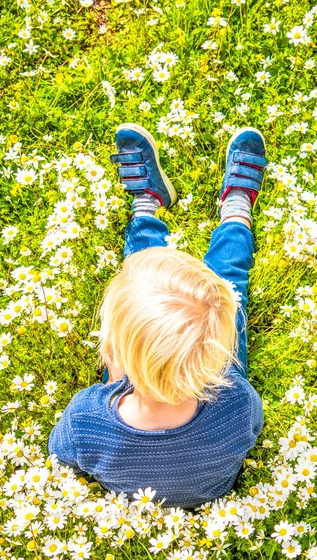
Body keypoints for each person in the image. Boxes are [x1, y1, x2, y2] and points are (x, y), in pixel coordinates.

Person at [48, 123, 268, 509]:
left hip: (128, 391)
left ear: (112, 353)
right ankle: (236, 210)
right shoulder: (237, 402)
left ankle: (148, 205)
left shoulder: (88, 421)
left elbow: (62, 456)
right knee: (229, 279)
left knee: (140, 272)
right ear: (221, 355)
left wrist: (113, 386)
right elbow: (251, 431)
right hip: (206, 459)